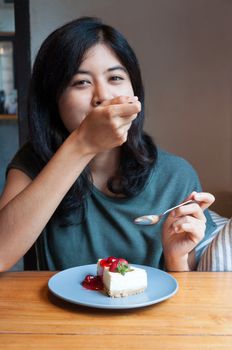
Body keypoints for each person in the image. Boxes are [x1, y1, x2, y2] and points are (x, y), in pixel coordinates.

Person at [0, 17, 216, 272]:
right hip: (58, 312)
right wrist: (82, 144)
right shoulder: (34, 162)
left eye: (115, 78)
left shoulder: (176, 175)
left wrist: (176, 258)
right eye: (81, 82)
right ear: (53, 100)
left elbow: (186, 297)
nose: (102, 96)